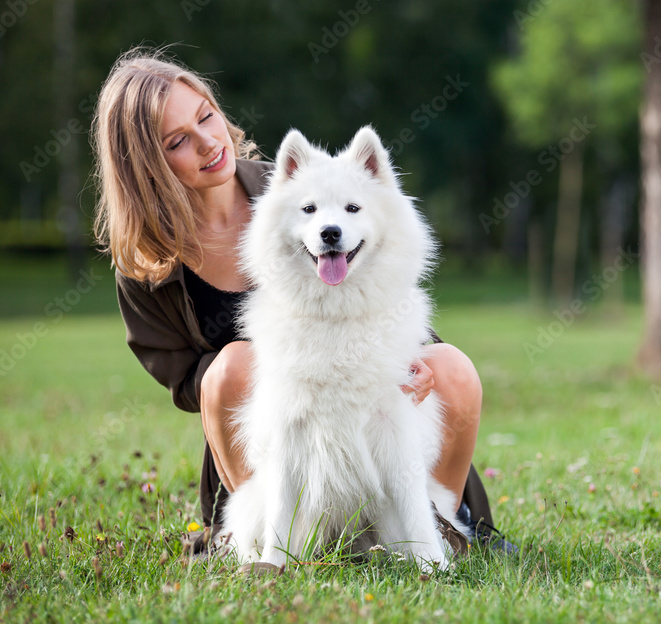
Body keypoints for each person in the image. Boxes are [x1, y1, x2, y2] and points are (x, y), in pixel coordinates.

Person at [91, 47, 503, 550]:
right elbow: (183, 381)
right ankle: (261, 537)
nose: (207, 142)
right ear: (146, 163)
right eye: (179, 141)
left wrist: (410, 359)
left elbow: (384, 281)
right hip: (275, 430)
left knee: (450, 367)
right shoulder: (145, 256)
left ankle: (438, 529)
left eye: (207, 116)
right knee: (236, 364)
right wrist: (288, 364)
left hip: (366, 387)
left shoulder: (299, 185)